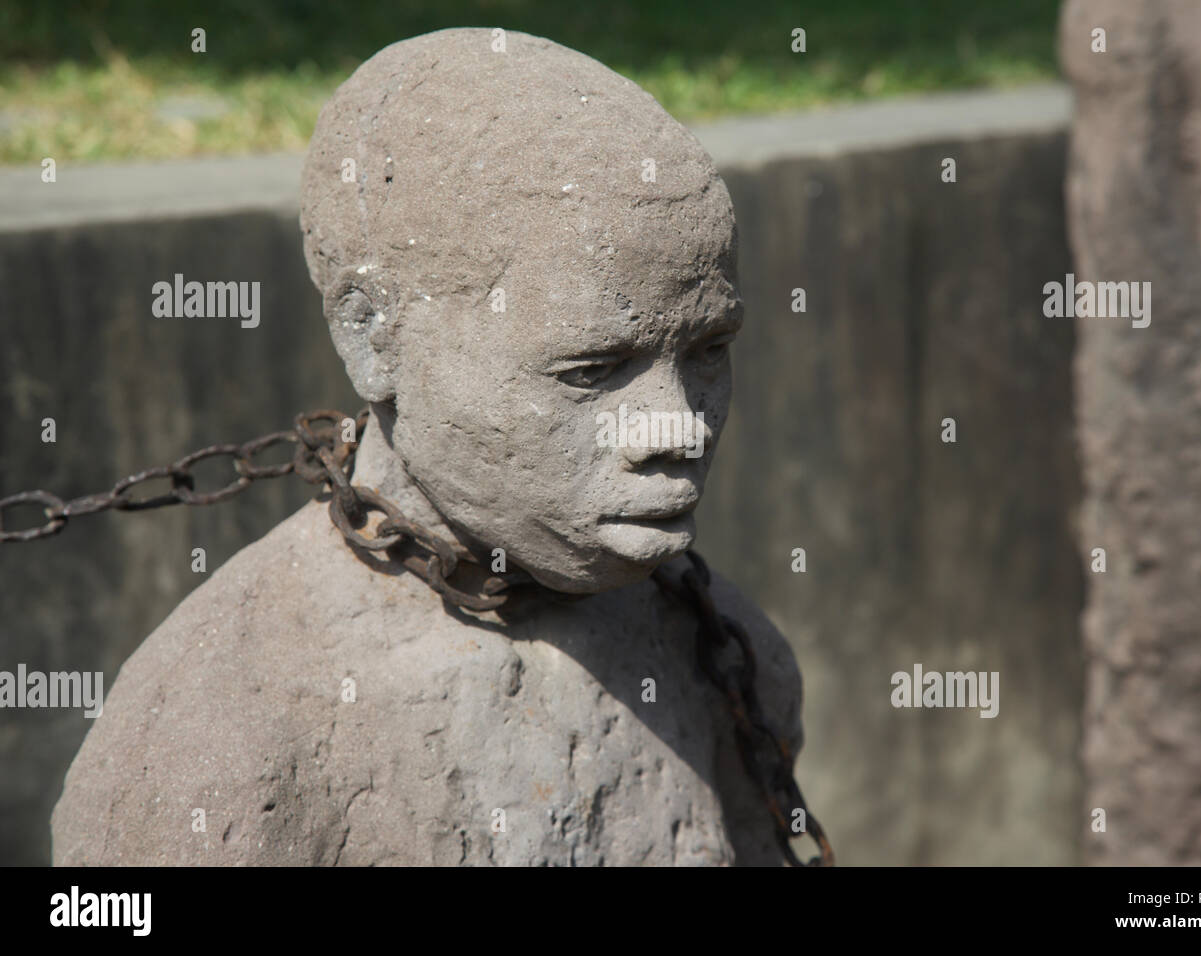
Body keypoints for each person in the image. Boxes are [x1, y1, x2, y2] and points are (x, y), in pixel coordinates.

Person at [52, 28, 805, 866]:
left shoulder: (731, 664)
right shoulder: (207, 745)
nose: (678, 429)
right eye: (593, 368)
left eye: (708, 350)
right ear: (371, 336)